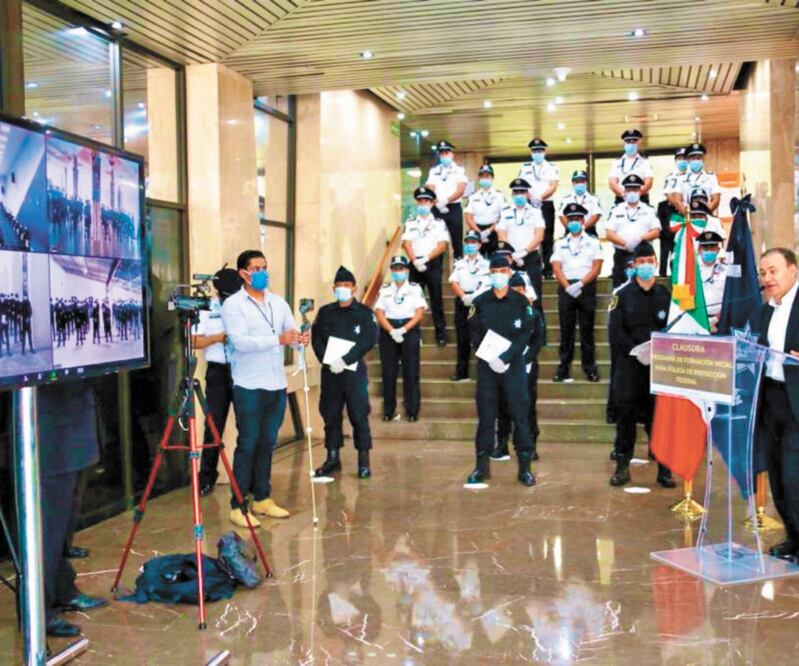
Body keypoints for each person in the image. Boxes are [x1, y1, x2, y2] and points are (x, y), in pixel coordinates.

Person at [221, 249, 309, 528]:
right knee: (247, 444)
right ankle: (238, 505)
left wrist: (299, 339)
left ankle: (262, 497)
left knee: (267, 443)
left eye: (264, 267)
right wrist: (278, 339)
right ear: (243, 274)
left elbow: (290, 332)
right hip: (249, 384)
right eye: (256, 268)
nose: (262, 273)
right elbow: (240, 342)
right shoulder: (233, 305)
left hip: (275, 384)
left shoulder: (278, 302)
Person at [37, 380, 108, 638]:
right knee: (47, 530)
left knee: (64, 526)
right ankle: (38, 613)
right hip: (49, 434)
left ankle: (62, 590)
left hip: (74, 427)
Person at [607, 242, 676, 488]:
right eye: (641, 262)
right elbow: (615, 332)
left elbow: (672, 328)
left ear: (656, 263)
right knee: (626, 419)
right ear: (634, 265)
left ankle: (664, 470)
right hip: (629, 366)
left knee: (658, 419)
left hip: (658, 368)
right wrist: (636, 351)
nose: (646, 266)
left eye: (650, 261)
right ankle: (623, 466)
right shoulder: (621, 296)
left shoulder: (665, 295)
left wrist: (658, 351)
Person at [467, 254, 536, 486]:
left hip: (513, 367)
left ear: (509, 272)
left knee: (520, 415)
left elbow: (526, 334)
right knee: (486, 417)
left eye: (502, 271)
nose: (498, 275)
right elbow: (473, 333)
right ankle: (481, 467)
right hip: (487, 367)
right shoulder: (480, 302)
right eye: (494, 271)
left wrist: (505, 357)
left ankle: (525, 467)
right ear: (490, 273)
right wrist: (489, 356)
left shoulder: (521, 301)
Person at [312, 266, 378, 479]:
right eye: (339, 286)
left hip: (353, 372)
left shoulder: (364, 313)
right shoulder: (325, 312)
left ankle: (363, 459)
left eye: (347, 286)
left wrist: (346, 359)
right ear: (333, 288)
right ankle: (332, 457)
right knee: (330, 414)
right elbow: (317, 339)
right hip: (330, 372)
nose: (342, 289)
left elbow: (367, 340)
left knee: (359, 414)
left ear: (354, 288)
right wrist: (327, 359)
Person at [756, 248, 799, 563]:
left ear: (793, 270)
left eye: (773, 271)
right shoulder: (766, 309)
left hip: (796, 402)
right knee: (777, 474)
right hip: (771, 401)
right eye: (762, 273)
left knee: (794, 477)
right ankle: (793, 538)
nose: (767, 278)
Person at [191, 267, 242, 497]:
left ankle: (243, 480)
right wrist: (218, 338)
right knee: (213, 426)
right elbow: (194, 341)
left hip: (243, 370)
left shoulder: (245, 306)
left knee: (246, 426)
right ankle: (207, 477)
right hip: (217, 374)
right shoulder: (206, 308)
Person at [550, 203, 604, 383]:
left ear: (583, 221)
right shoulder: (560, 243)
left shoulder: (593, 242)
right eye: (571, 219)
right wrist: (567, 287)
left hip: (586, 287)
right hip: (566, 288)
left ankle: (590, 369)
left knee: (587, 331)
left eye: (577, 219)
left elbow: (597, 267)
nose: (574, 222)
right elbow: (556, 267)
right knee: (566, 331)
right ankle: (563, 369)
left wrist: (581, 283)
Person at [375, 256, 426, 422]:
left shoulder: (414, 288)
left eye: (401, 268)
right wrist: (391, 330)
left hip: (409, 329)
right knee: (388, 372)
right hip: (388, 331)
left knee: (411, 372)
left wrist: (404, 329)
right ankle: (389, 410)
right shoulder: (385, 289)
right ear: (392, 271)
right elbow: (379, 312)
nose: (398, 272)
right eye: (395, 269)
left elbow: (419, 312)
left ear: (407, 271)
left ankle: (412, 410)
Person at [402, 185, 449, 346]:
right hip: (415, 264)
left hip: (432, 263)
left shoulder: (439, 223)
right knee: (413, 302)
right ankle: (414, 335)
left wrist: (426, 259)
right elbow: (406, 243)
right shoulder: (410, 222)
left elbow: (442, 245)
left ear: (431, 203)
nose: (423, 204)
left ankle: (441, 334)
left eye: (426, 201)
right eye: (420, 201)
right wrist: (415, 260)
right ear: (417, 203)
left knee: (436, 300)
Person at [496, 177, 546, 321]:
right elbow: (501, 234)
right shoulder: (505, 211)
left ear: (527, 194)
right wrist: (512, 255)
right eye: (516, 192)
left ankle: (537, 334)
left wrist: (524, 252)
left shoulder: (536, 212)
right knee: (509, 295)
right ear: (512, 194)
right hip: (510, 259)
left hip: (531, 258)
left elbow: (539, 235)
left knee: (534, 296)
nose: (519, 195)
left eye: (522, 192)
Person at [511, 271, 544, 461]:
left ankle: (531, 444)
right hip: (509, 365)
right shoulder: (504, 312)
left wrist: (526, 359)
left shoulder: (534, 314)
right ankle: (508, 443)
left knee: (529, 405)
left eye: (520, 290)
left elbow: (538, 340)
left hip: (528, 366)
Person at [605, 174, 660, 287]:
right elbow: (609, 233)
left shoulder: (649, 210)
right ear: (624, 191)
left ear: (640, 191)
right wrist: (625, 243)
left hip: (643, 255)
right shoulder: (616, 210)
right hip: (621, 255)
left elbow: (656, 231)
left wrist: (639, 239)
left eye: (635, 189)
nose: (632, 192)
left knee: (644, 287)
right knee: (619, 289)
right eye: (629, 189)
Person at [448, 231, 490, 382]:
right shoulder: (459, 264)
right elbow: (453, 282)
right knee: (462, 337)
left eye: (473, 242)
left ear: (479, 244)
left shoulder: (486, 264)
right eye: (468, 242)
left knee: (481, 337)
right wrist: (463, 297)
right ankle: (462, 372)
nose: (470, 245)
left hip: (480, 301)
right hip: (462, 300)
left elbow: (486, 283)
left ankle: (485, 373)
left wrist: (474, 298)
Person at [519, 138, 559, 278]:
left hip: (546, 203)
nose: (537, 153)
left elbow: (553, 185)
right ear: (531, 152)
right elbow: (522, 185)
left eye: (540, 151)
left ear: (544, 152)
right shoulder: (525, 168)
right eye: (535, 151)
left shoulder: (551, 167)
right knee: (531, 236)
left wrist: (540, 197)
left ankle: (548, 269)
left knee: (547, 237)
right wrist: (531, 198)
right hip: (529, 205)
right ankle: (531, 267)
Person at [425, 140, 467, 259]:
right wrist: (437, 202)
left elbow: (460, 190)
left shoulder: (459, 170)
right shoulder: (434, 171)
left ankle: (459, 267)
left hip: (453, 208)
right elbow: (430, 188)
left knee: (457, 241)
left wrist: (445, 201)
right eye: (442, 153)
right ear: (439, 155)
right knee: (436, 240)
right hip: (437, 208)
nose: (444, 155)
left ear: (452, 154)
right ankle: (437, 268)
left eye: (447, 152)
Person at [658, 147, 689, 276]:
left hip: (687, 213)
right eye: (679, 158)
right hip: (674, 213)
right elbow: (669, 195)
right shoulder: (671, 177)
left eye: (684, 158)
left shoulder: (692, 176)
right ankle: (663, 275)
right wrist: (678, 205)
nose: (682, 161)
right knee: (665, 253)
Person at [667, 143, 720, 216]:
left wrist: (704, 213)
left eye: (698, 158)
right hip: (687, 217)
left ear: (703, 159)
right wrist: (688, 215)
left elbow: (716, 200)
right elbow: (677, 200)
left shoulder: (711, 177)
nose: (696, 160)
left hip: (707, 217)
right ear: (688, 160)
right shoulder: (680, 178)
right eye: (693, 158)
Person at [464, 164, 505, 258]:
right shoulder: (473, 196)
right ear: (479, 178)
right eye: (482, 176)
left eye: (487, 176)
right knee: (477, 259)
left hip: (494, 231)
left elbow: (503, 216)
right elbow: (468, 218)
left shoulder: (500, 196)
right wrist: (480, 233)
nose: (485, 178)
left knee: (495, 260)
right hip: (476, 230)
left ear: (492, 178)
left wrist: (488, 231)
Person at [608, 129, 654, 204]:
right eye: (628, 141)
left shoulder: (646, 162)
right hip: (621, 199)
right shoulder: (616, 162)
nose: (631, 143)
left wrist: (637, 194)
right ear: (624, 143)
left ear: (639, 142)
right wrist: (623, 194)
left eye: (634, 141)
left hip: (641, 199)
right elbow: (612, 183)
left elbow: (648, 183)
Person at [558, 170, 602, 237]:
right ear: (572, 183)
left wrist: (583, 227)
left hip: (589, 231)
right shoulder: (566, 199)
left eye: (582, 181)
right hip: (570, 231)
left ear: (586, 183)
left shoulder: (594, 199)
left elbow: (595, 216)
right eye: (577, 182)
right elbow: (561, 215)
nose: (579, 184)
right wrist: (571, 228)